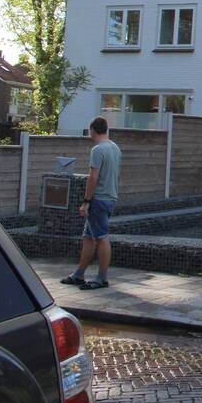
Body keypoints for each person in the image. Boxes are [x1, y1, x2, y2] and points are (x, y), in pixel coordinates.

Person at [60, 116, 121, 290]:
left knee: (102, 238)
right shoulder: (115, 148)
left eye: (90, 131)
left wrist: (86, 201)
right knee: (88, 237)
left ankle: (102, 278)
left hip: (98, 199)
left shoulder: (98, 150)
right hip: (110, 197)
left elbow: (93, 177)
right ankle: (79, 275)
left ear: (92, 130)